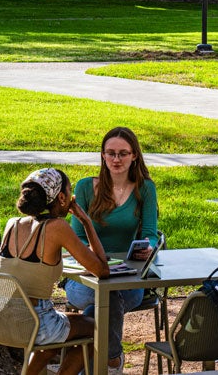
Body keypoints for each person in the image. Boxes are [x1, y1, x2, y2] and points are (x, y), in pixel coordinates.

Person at [0, 168, 110, 375]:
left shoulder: (12, 224)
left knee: (62, 328)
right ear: (61, 197)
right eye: (69, 191)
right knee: (98, 328)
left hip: (0, 319)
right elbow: (102, 270)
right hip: (34, 323)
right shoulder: (57, 227)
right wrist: (85, 221)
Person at [65, 127, 159, 374]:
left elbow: (150, 232)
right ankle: (113, 360)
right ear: (103, 156)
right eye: (111, 153)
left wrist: (147, 247)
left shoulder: (145, 188)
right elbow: (76, 237)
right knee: (104, 300)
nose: (117, 159)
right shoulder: (86, 187)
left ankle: (92, 366)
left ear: (134, 156)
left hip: (127, 277)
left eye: (123, 153)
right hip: (85, 276)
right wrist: (91, 259)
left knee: (104, 302)